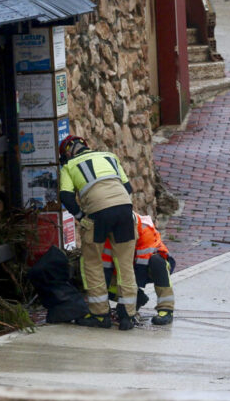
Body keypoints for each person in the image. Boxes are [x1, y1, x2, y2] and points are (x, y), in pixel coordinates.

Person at [58, 134, 140, 330]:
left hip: (97, 213)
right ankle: (128, 315)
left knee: (92, 262)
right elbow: (127, 188)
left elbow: (66, 196)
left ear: (67, 153)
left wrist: (80, 216)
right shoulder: (110, 157)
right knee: (125, 263)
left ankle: (100, 315)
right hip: (124, 210)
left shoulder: (69, 167)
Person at [102, 212, 175, 326]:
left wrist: (128, 301)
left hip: (148, 268)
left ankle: (166, 309)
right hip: (125, 270)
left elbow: (142, 267)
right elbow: (105, 268)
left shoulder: (145, 230)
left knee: (157, 262)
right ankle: (138, 298)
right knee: (100, 279)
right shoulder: (109, 234)